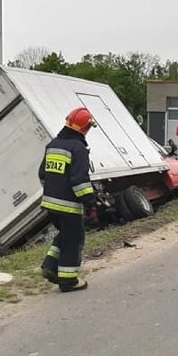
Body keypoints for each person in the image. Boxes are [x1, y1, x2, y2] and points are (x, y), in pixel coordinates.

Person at [38, 107, 99, 293]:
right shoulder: (78, 148)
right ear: (85, 128)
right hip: (69, 206)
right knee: (74, 239)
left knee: (65, 234)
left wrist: (53, 191)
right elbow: (79, 181)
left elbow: (42, 174)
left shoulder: (53, 144)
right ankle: (68, 280)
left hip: (49, 203)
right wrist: (91, 202)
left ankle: (50, 266)